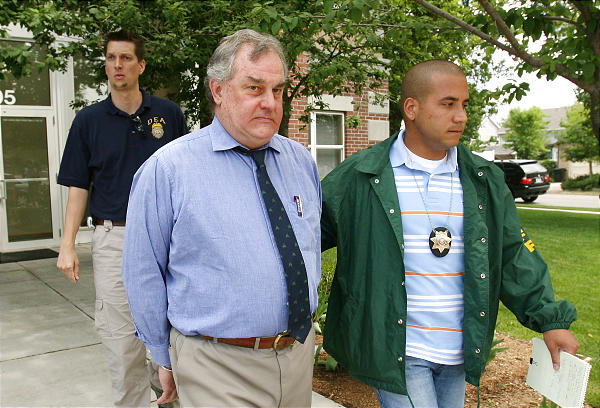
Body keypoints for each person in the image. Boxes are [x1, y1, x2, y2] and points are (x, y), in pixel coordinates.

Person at [320, 60, 579, 408]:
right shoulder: (361, 176)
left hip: (458, 350)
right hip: (399, 349)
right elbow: (305, 237)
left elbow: (513, 253)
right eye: (448, 104)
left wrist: (550, 319)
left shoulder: (482, 179)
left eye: (464, 105)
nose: (461, 116)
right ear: (411, 108)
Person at [121, 29, 322, 407]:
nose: (269, 103)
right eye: (254, 88)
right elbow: (142, 271)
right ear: (218, 91)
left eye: (276, 91)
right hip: (216, 365)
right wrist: (163, 356)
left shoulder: (300, 162)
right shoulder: (168, 170)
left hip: (296, 358)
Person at [56, 30, 188, 407]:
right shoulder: (89, 121)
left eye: (126, 58)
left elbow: (186, 178)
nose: (118, 65)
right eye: (112, 58)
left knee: (176, 331)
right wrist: (68, 246)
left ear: (140, 65)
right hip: (116, 238)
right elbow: (78, 186)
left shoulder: (168, 114)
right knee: (122, 340)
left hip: (168, 240)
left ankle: (175, 399)